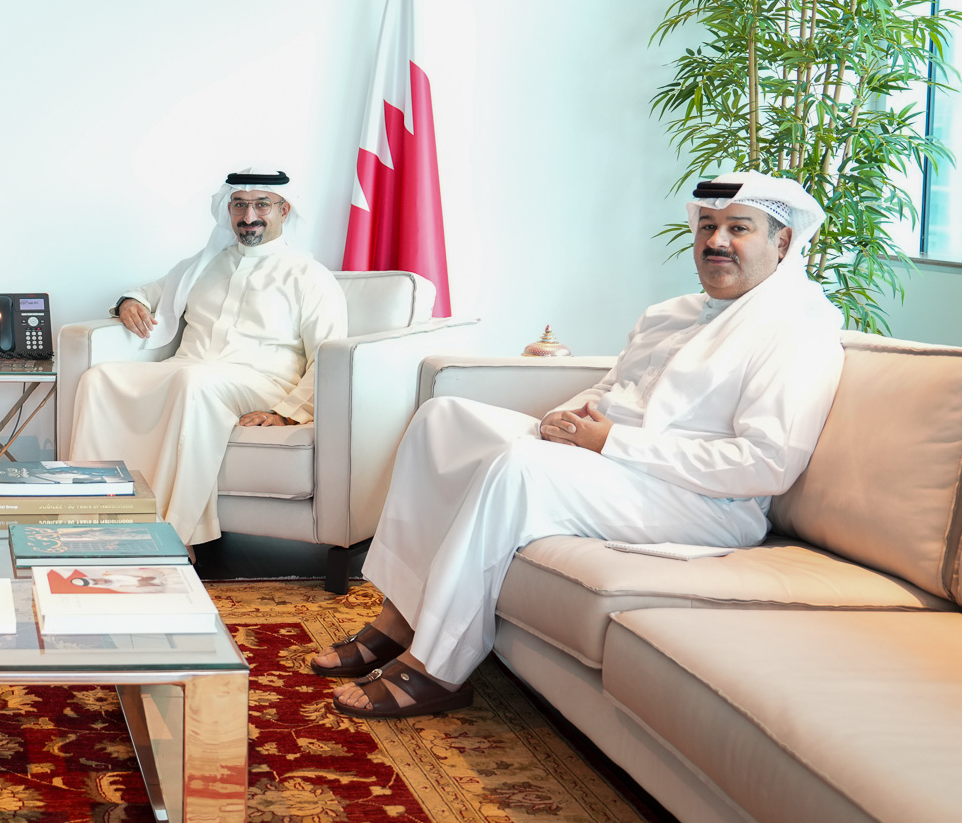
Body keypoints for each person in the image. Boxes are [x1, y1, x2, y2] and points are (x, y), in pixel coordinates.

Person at [314, 173, 846, 719]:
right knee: (443, 420)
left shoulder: (794, 330)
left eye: (739, 228)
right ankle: (399, 618)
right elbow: (612, 389)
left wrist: (610, 442)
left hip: (704, 502)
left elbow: (765, 465)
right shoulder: (670, 314)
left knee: (522, 467)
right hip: (612, 464)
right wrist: (563, 419)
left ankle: (438, 667)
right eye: (707, 226)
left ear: (783, 242)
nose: (716, 241)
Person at [67, 168, 346, 549]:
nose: (249, 216)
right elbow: (149, 292)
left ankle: (169, 536)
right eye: (239, 205)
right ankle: (91, 517)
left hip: (262, 381)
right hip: (190, 368)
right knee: (99, 378)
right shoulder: (204, 263)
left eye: (262, 205)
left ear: (284, 209)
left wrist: (287, 413)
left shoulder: (309, 275)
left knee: (193, 383)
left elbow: (329, 356)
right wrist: (131, 302)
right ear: (228, 209)